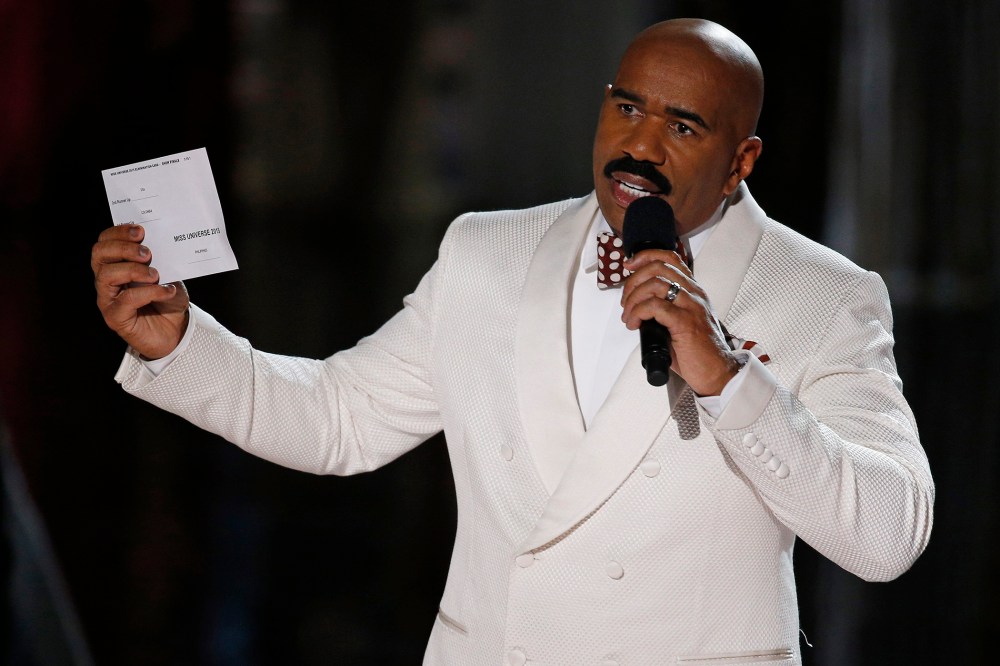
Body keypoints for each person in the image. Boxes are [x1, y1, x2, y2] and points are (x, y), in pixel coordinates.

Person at [91, 17, 934, 665]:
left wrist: (729, 378)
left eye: (684, 127)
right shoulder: (485, 252)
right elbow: (339, 420)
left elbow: (889, 536)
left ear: (742, 158)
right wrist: (181, 344)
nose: (639, 144)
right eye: (627, 107)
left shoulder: (823, 296)